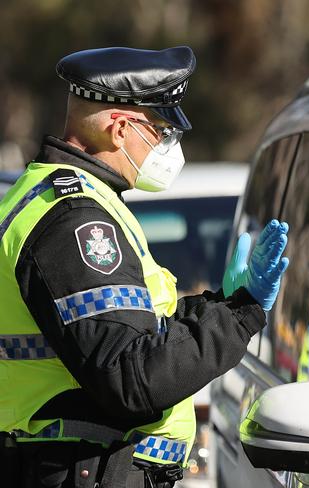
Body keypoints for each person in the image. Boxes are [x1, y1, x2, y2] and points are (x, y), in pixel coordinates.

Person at [0, 46, 289, 487]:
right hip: (81, 469)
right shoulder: (77, 220)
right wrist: (239, 317)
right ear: (119, 130)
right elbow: (132, 376)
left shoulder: (61, 198)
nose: (168, 146)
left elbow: (133, 329)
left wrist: (225, 304)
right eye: (160, 130)